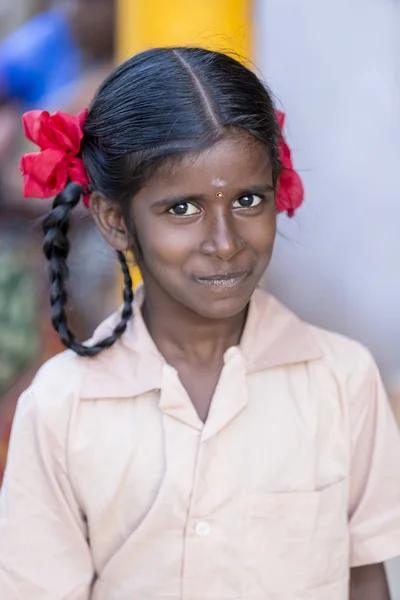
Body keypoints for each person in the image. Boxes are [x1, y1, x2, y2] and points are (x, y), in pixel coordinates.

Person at [0, 47, 399, 600]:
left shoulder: (343, 380)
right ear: (115, 221)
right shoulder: (60, 408)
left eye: (248, 199)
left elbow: (365, 579)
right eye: (182, 209)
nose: (225, 242)